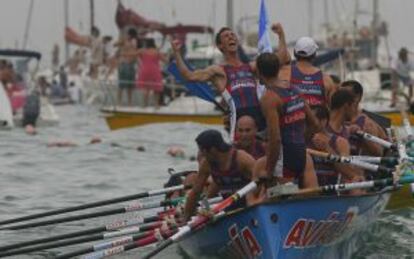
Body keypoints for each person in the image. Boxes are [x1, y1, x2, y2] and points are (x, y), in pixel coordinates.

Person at [171, 23, 291, 135]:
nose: (231, 37)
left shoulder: (251, 67)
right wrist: (177, 53)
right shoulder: (218, 71)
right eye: (226, 36)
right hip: (238, 122)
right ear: (220, 46)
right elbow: (189, 76)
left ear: (237, 42)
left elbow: (280, 60)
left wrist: (281, 35)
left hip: (259, 119)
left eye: (232, 35)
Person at [254, 52, 319, 188]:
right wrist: (301, 142)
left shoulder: (269, 98)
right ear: (278, 69)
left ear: (259, 73)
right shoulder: (295, 89)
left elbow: (275, 139)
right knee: (301, 198)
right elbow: (314, 124)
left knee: (282, 200)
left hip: (284, 156)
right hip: (301, 152)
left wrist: (269, 171)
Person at [184, 129, 255, 220]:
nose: (201, 154)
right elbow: (195, 192)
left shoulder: (242, 159)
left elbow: (262, 182)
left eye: (202, 150)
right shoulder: (207, 164)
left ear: (213, 150)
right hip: (230, 209)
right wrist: (185, 219)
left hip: (251, 207)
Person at [310, 105, 361, 186]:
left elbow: (349, 173)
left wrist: (328, 149)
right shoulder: (302, 140)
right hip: (309, 190)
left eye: (311, 120)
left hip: (332, 190)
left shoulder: (340, 142)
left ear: (323, 121)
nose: (307, 123)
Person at [279, 36, 336, 108]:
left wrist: (281, 35)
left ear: (294, 53)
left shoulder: (284, 74)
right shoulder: (326, 80)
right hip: (318, 118)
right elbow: (334, 109)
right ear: (314, 55)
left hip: (295, 118)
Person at [341, 80, 387, 156]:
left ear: (357, 98)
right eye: (340, 94)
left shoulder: (367, 124)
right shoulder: (339, 118)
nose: (341, 98)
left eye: (345, 95)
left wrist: (363, 135)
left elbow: (379, 153)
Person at [108, 29, 137, 106]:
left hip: (131, 65)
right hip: (124, 64)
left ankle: (129, 103)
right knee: (121, 85)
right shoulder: (125, 41)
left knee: (130, 85)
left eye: (128, 34)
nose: (127, 36)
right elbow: (114, 44)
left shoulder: (135, 42)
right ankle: (119, 102)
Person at [136, 38, 167, 108]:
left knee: (145, 88)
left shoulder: (142, 51)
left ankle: (144, 105)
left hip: (144, 70)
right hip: (155, 71)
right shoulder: (157, 52)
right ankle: (156, 105)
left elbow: (132, 55)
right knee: (156, 89)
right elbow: (166, 60)